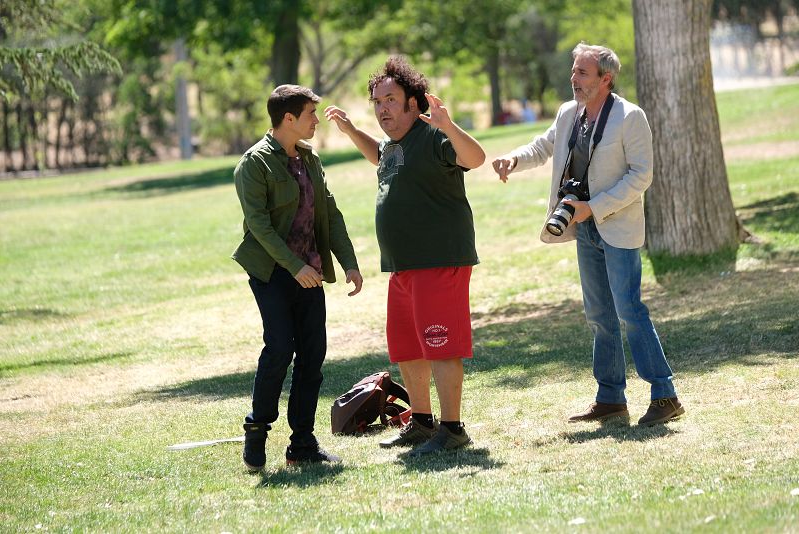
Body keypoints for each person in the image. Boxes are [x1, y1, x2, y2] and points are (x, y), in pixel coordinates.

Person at [492, 43, 685, 426]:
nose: (573, 79)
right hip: (584, 228)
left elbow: (640, 176)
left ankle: (665, 395)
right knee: (599, 315)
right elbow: (544, 146)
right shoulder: (568, 113)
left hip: (616, 226)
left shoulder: (631, 117)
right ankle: (611, 398)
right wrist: (513, 159)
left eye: (582, 72)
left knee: (629, 310)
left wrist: (594, 207)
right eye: (573, 70)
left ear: (605, 79)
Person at [325, 56, 485, 455]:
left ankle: (453, 429)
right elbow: (379, 155)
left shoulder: (432, 136)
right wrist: (350, 131)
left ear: (414, 103)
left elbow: (475, 159)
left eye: (391, 100)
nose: (383, 109)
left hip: (438, 262)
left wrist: (448, 125)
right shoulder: (395, 145)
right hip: (403, 268)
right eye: (378, 102)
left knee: (441, 345)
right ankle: (421, 422)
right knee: (408, 349)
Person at [232, 84, 363, 471]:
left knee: (312, 356)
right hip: (273, 272)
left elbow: (330, 213)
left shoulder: (310, 159)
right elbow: (259, 227)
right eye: (310, 114)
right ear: (288, 118)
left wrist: (348, 262)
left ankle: (302, 444)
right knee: (278, 349)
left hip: (310, 273)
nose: (316, 121)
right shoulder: (253, 164)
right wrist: (295, 266)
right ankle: (256, 431)